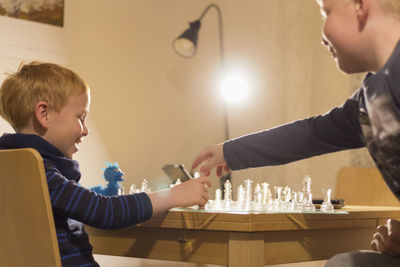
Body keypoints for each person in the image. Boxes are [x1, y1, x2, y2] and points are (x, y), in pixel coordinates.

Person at [191, 0, 400, 266]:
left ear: (360, 5)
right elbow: (311, 134)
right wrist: (228, 152)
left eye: (327, 13)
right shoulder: (370, 99)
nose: (323, 37)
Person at [0, 62, 211, 267]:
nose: (85, 130)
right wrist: (174, 194)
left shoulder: (10, 165)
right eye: (80, 118)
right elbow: (105, 212)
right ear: (44, 114)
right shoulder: (37, 171)